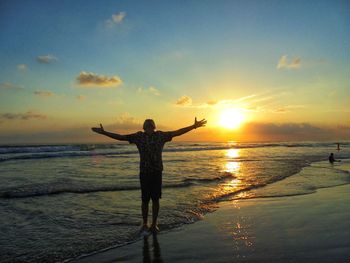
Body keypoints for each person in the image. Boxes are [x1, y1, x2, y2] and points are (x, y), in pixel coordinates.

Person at [91, 117, 207, 233]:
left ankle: (154, 224)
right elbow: (121, 137)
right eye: (147, 125)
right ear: (143, 127)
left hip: (157, 172)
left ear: (154, 127)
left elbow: (178, 132)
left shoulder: (160, 136)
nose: (149, 127)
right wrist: (104, 132)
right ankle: (145, 223)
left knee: (155, 199)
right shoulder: (139, 137)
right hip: (144, 173)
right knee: (145, 200)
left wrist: (193, 126)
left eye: (151, 125)